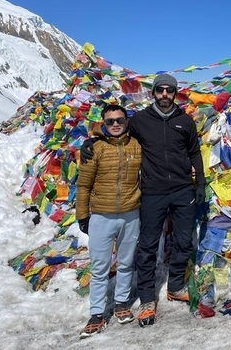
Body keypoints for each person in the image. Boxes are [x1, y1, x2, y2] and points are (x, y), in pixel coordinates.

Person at [81, 73, 206, 327]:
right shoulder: (140, 120)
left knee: (184, 240)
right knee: (148, 246)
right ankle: (148, 298)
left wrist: (200, 183)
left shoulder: (185, 121)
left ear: (175, 93)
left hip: (183, 191)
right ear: (154, 93)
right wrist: (92, 139)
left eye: (169, 91)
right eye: (159, 90)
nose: (164, 95)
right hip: (152, 193)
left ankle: (175, 285)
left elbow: (194, 152)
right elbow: (115, 131)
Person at [76, 103, 142, 338]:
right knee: (100, 267)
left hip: (131, 214)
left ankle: (122, 303)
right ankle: (96, 314)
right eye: (110, 121)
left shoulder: (136, 145)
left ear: (127, 122)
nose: (115, 125)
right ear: (103, 124)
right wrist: (82, 216)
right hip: (101, 216)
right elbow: (83, 185)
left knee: (125, 263)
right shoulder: (95, 148)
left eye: (120, 120)